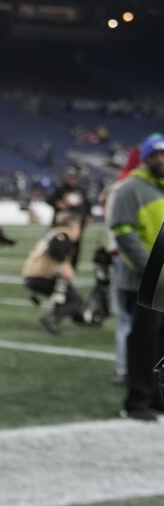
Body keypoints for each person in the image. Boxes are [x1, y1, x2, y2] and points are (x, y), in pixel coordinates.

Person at [109, 133, 164, 421]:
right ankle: (137, 402)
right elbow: (123, 233)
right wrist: (154, 268)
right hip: (144, 280)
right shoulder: (132, 188)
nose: (162, 160)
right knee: (144, 344)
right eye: (157, 155)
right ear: (146, 157)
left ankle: (158, 398)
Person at [101, 146, 142, 385]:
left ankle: (125, 367)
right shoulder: (134, 187)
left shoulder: (115, 186)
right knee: (136, 317)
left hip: (118, 253)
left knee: (127, 318)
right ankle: (131, 368)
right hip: (134, 255)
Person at [21, 213, 84, 335]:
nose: (79, 231)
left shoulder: (54, 233)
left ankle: (62, 317)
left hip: (34, 275)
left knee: (62, 295)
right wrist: (65, 266)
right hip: (42, 276)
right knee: (76, 301)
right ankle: (53, 318)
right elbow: (57, 251)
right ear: (72, 226)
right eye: (78, 227)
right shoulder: (63, 235)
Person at [45, 166, 92, 267]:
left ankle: (71, 269)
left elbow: (88, 204)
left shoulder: (81, 191)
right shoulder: (60, 190)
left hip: (77, 225)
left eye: (75, 178)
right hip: (61, 225)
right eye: (71, 178)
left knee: (76, 247)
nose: (73, 180)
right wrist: (58, 203)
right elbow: (49, 199)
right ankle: (55, 266)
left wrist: (88, 215)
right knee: (58, 245)